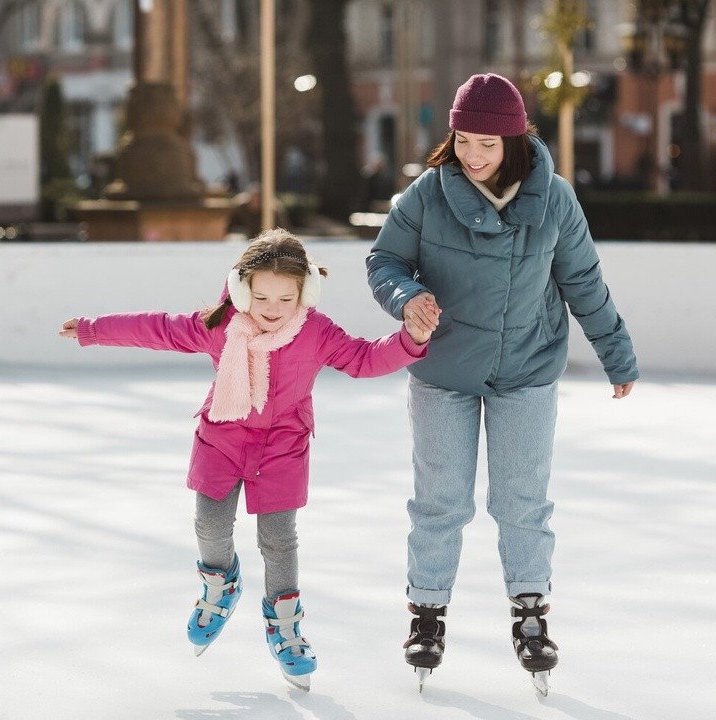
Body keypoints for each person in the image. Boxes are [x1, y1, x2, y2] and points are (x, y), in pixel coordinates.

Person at [61, 228, 432, 691]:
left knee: (279, 540)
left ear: (304, 293)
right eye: (261, 297)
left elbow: (363, 359)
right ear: (242, 290)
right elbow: (157, 329)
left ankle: (285, 624)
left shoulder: (315, 331)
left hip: (282, 447)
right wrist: (94, 330)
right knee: (210, 525)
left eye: (285, 297)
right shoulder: (220, 325)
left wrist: (410, 338)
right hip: (222, 437)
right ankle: (221, 585)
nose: (273, 309)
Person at [365, 73, 639, 693]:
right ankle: (427, 612)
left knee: (522, 502)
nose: (474, 155)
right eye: (464, 140)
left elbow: (583, 283)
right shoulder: (428, 194)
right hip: (443, 371)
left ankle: (531, 612)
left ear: (514, 140)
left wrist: (616, 355)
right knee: (440, 501)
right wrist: (406, 298)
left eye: (487, 143)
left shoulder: (557, 198)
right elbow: (384, 260)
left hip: (527, 368)